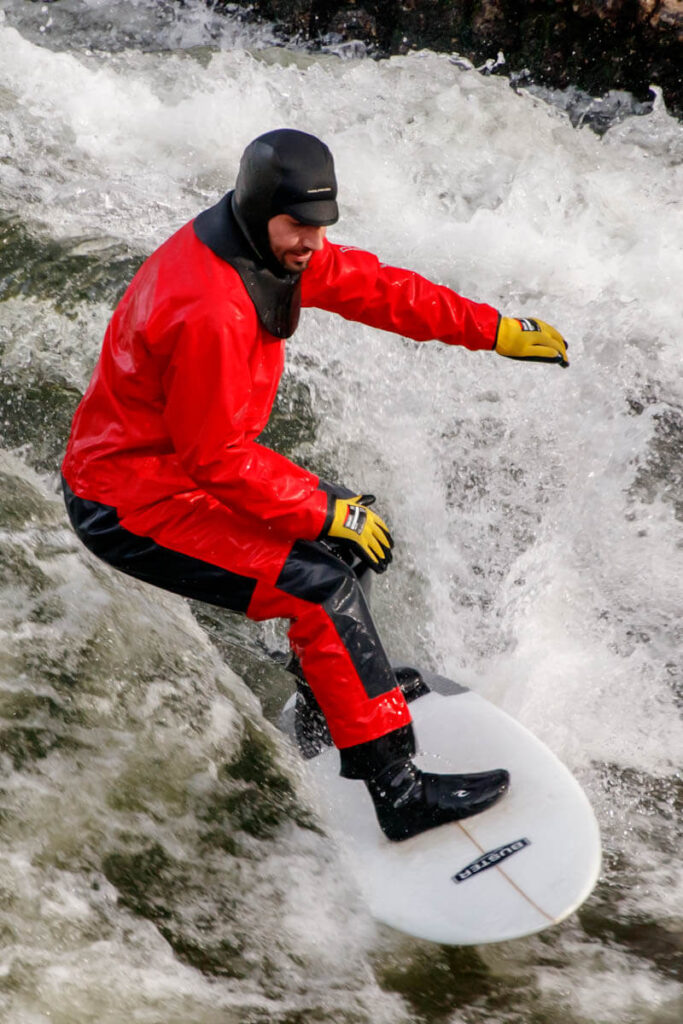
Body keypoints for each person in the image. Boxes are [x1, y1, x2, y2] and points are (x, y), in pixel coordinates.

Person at [62, 129, 568, 842]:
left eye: (319, 226)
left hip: (181, 468)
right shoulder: (211, 306)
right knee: (317, 586)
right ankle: (397, 787)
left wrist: (491, 329)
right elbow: (215, 457)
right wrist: (318, 509)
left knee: (353, 531)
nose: (310, 242)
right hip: (131, 500)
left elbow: (373, 286)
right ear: (263, 207)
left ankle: (327, 703)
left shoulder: (265, 244)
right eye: (298, 225)